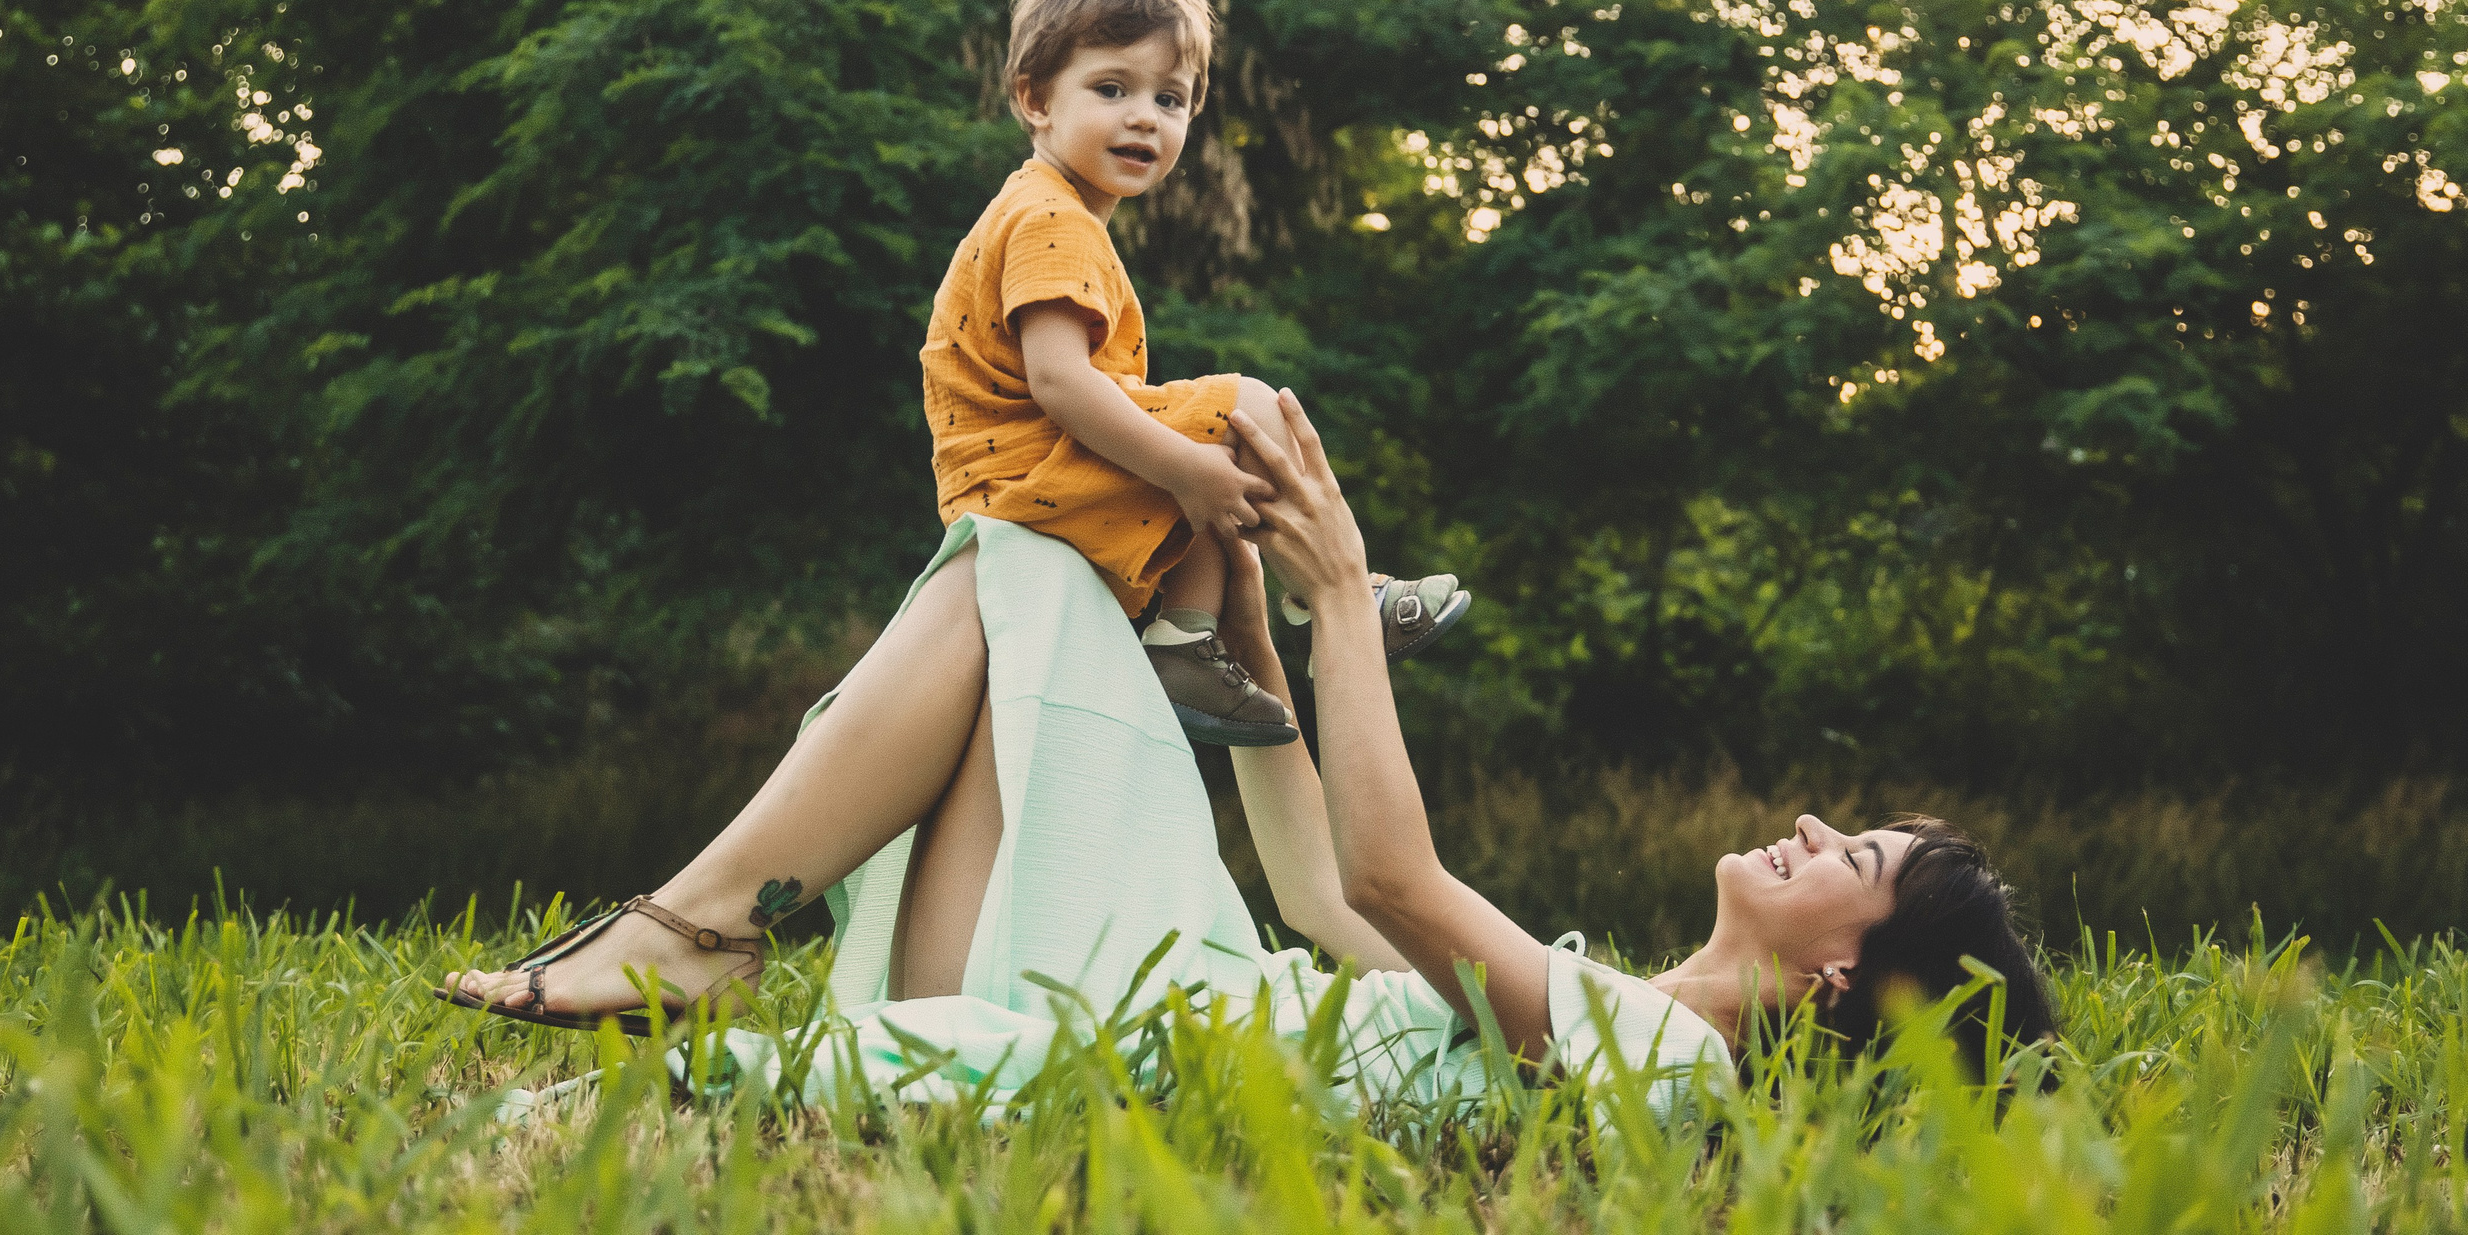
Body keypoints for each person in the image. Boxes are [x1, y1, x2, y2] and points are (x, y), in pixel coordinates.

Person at [436, 391, 2052, 1095]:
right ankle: (699, 929)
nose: (1814, 823)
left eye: (1855, 854)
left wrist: (1348, 588)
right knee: (1034, 560)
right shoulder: (1612, 1003)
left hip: (1100, 1021)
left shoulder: (1671, 1064)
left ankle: (695, 931)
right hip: (1105, 985)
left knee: (1034, 563)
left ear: (1843, 977)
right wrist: (1268, 636)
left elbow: (1389, 874)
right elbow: (1317, 894)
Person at [926, 0, 1467, 746]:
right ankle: (1342, 596)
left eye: (1169, 98)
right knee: (1246, 408)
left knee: (1210, 453)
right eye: (1112, 89)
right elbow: (1059, 382)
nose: (1145, 117)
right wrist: (1183, 467)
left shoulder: (1041, 208)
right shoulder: (1053, 219)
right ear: (1035, 100)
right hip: (1023, 472)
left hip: (1009, 475)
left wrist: (1191, 467)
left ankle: (1183, 638)